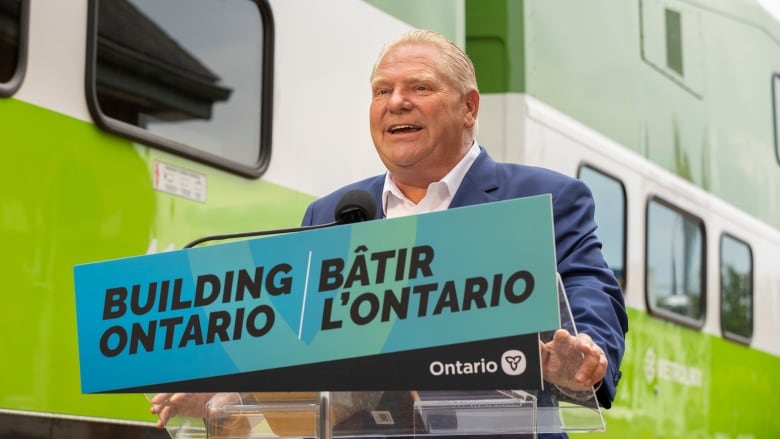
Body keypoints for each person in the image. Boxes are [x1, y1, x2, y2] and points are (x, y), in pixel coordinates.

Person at [152, 29, 627, 439]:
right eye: (382, 91)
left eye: (419, 86)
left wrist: (583, 357)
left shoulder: (544, 198)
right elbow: (298, 346)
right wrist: (233, 392)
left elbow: (588, 292)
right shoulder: (331, 213)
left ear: (469, 107)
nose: (396, 101)